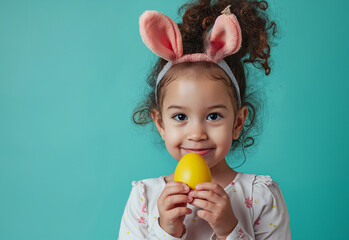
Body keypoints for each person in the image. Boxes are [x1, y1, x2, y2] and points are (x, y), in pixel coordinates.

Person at [119, 0, 290, 239]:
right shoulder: (144, 198)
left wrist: (230, 229)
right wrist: (166, 231)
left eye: (213, 116)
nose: (197, 133)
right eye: (180, 116)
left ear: (238, 123)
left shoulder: (260, 196)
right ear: (160, 124)